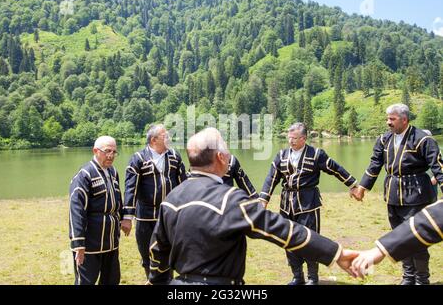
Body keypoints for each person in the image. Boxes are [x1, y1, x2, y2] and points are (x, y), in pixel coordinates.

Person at [148, 127, 359, 285]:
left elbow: (157, 250)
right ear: (220, 158)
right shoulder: (232, 199)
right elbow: (283, 230)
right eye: (227, 151)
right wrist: (335, 253)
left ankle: (310, 277)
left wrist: (156, 280)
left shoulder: (171, 200)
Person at [353, 104, 443, 285]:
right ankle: (408, 277)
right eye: (387, 119)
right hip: (393, 193)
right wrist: (362, 187)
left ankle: (421, 280)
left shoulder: (423, 139)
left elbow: (439, 167)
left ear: (404, 119)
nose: (388, 123)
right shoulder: (384, 139)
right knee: (400, 237)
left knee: (417, 238)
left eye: (392, 119)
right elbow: (374, 164)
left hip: (417, 193)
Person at [259, 122, 359, 285]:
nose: (291, 141)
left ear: (304, 139)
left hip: (308, 204)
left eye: (295, 138)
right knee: (288, 239)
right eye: (289, 138)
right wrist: (263, 199)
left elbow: (335, 169)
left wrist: (353, 185)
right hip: (286, 204)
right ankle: (297, 276)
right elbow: (272, 178)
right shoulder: (281, 155)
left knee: (311, 240)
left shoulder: (316, 154)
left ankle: (313, 277)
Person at [123, 124, 187, 279]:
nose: (169, 139)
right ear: (153, 140)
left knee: (169, 255)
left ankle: (169, 282)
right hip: (146, 219)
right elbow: (130, 188)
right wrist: (127, 217)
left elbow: (184, 184)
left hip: (169, 217)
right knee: (148, 256)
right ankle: (151, 280)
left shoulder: (174, 156)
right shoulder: (138, 159)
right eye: (165, 136)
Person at [69, 136, 127, 285]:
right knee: (86, 282)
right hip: (90, 245)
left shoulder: (113, 172)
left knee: (112, 280)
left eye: (114, 152)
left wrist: (125, 218)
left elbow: (117, 201)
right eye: (107, 151)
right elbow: (76, 210)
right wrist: (78, 245)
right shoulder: (84, 175)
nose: (111, 155)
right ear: (95, 151)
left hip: (111, 243)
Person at [351, 199, 442, 279]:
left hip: (416, 195)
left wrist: (383, 249)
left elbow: (435, 219)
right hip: (394, 195)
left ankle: (421, 279)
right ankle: (408, 276)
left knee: (418, 243)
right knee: (401, 230)